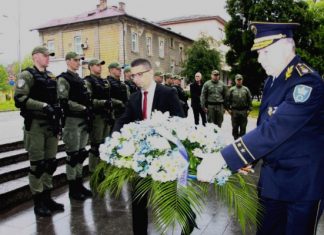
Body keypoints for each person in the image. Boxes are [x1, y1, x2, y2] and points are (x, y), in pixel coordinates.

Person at [197, 22, 324, 235]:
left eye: (266, 52)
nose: (259, 59)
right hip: (273, 180)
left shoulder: (307, 82)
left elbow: (275, 129)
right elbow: (264, 126)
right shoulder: (272, 81)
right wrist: (247, 159)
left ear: (286, 47)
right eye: (258, 53)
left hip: (302, 184)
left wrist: (224, 158)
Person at [113, 58, 196, 235]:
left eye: (139, 75)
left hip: (164, 156)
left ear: (150, 73)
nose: (135, 79)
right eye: (132, 75)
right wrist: (114, 136)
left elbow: (179, 120)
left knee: (169, 195)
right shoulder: (134, 97)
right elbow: (124, 118)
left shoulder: (167, 93)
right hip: (141, 157)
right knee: (138, 198)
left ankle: (188, 217)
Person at [14, 46, 64, 216]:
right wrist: (43, 106)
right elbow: (20, 98)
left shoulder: (50, 76)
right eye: (45, 55)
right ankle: (38, 203)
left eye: (49, 55)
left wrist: (59, 121)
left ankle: (48, 198)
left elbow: (56, 100)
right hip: (35, 125)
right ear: (35, 57)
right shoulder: (26, 75)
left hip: (51, 125)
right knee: (38, 165)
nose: (48, 58)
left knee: (50, 164)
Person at [57, 52, 93, 201]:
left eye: (79, 60)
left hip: (82, 120)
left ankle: (79, 184)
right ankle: (73, 188)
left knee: (80, 153)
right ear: (67, 61)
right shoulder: (63, 79)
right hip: (72, 120)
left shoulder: (79, 79)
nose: (78, 62)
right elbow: (64, 101)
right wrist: (83, 108)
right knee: (72, 156)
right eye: (75, 60)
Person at [84, 59, 112, 174]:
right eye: (97, 65)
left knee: (105, 145)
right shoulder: (87, 81)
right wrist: (102, 103)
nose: (100, 67)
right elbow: (88, 100)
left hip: (106, 116)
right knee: (95, 146)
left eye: (100, 65)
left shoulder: (104, 81)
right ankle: (93, 172)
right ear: (90, 67)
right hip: (96, 117)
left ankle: (102, 170)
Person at [227, 74, 252, 140]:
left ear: (242, 80)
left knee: (243, 127)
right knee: (235, 127)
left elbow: (249, 99)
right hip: (234, 111)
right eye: (238, 80)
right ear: (235, 80)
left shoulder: (246, 89)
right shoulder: (231, 89)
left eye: (240, 80)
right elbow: (227, 100)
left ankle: (241, 141)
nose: (239, 81)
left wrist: (249, 109)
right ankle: (235, 139)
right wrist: (228, 109)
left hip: (244, 111)